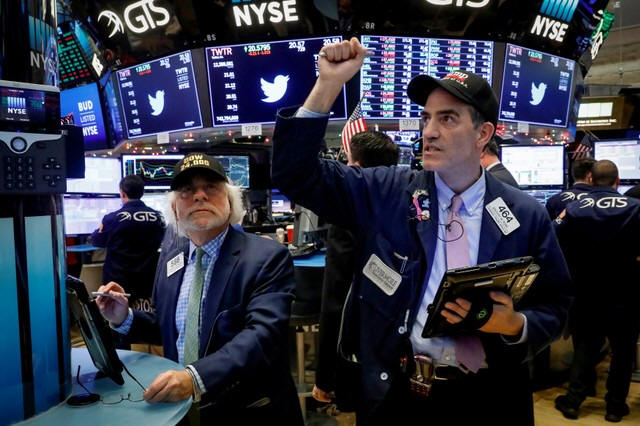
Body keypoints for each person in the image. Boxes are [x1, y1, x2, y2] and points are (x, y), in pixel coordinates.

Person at [272, 38, 572, 425]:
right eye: (427, 118)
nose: (428, 131)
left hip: (490, 395)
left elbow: (556, 304)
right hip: (400, 393)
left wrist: (514, 325)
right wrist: (327, 84)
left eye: (447, 119)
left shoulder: (524, 214)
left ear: (483, 134)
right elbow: (295, 175)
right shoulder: (386, 192)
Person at [95, 153, 303, 425]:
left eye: (211, 187)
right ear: (175, 209)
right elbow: (172, 328)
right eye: (187, 190)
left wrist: (194, 378)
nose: (200, 196)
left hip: (247, 410)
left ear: (230, 202)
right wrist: (124, 318)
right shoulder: (171, 260)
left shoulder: (266, 257)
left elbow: (263, 336)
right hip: (181, 409)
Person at [313, 131, 399, 409]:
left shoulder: (348, 215)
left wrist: (325, 376)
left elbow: (337, 299)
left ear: (355, 168)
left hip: (366, 355)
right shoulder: (412, 206)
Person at [553, 160, 640, 423]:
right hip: (626, 293)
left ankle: (573, 401)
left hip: (586, 292)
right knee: (623, 352)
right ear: (617, 181)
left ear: (590, 179)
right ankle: (615, 407)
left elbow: (553, 236)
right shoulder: (635, 207)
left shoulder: (573, 208)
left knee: (585, 348)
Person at [90, 174, 165, 310]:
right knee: (145, 319)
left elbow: (96, 241)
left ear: (122, 193)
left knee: (118, 320)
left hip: (118, 286)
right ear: (142, 192)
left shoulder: (112, 219)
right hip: (148, 283)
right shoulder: (158, 217)